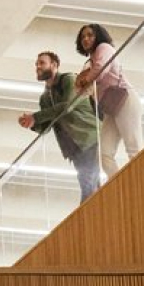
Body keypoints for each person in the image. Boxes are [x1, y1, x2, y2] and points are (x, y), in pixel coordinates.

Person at [19, 49, 103, 202]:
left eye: (42, 63)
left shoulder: (69, 79)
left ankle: (82, 220)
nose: (38, 67)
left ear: (54, 65)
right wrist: (31, 123)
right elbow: (46, 128)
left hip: (89, 138)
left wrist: (36, 117)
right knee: (91, 183)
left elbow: (67, 106)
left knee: (88, 183)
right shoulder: (45, 98)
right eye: (36, 64)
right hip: (73, 148)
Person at [73, 22, 143, 177]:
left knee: (133, 146)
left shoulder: (104, 48)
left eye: (90, 35)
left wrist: (85, 79)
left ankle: (141, 180)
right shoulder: (89, 62)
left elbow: (100, 70)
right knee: (104, 153)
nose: (86, 39)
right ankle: (119, 184)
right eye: (83, 36)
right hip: (111, 108)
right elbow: (80, 90)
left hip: (125, 101)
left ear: (98, 36)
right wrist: (84, 81)